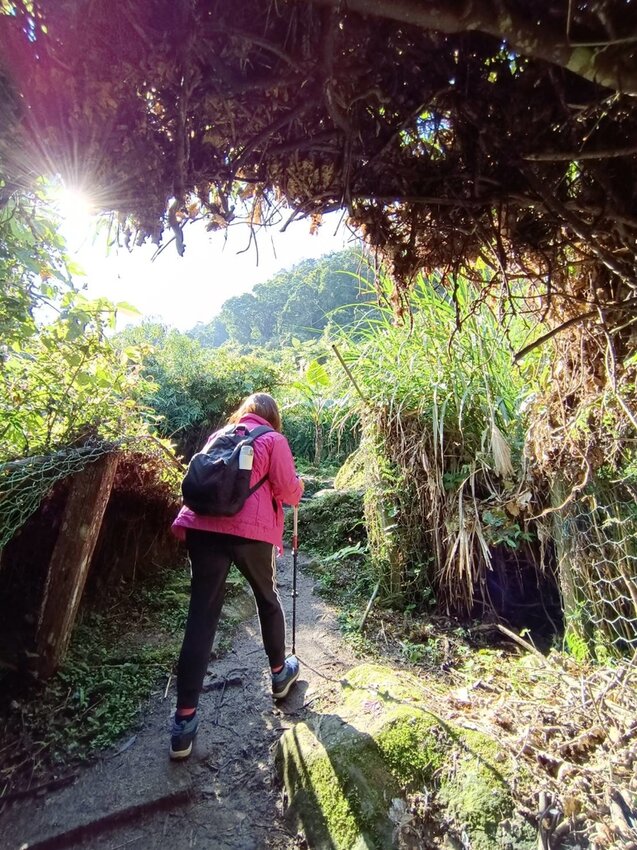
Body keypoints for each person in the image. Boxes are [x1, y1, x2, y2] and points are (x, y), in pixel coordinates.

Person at [168, 392, 304, 760]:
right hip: (251, 532)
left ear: (245, 413)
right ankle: (279, 674)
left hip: (202, 527)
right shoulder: (273, 440)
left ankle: (183, 723)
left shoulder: (221, 435)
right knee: (266, 596)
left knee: (201, 616)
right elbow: (289, 492)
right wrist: (299, 485)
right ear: (273, 417)